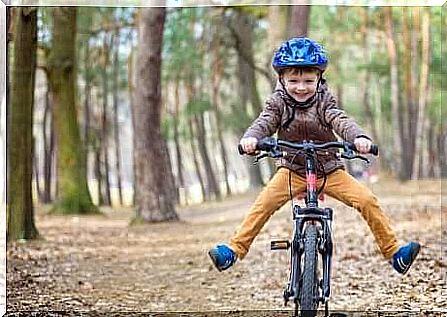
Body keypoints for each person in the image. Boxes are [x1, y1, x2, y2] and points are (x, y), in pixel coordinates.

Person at [208, 37, 420, 275]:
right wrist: (251, 138)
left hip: (329, 169)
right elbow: (264, 122)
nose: (301, 87)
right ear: (281, 79)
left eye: (308, 81)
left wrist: (359, 138)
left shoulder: (324, 100)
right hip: (292, 169)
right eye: (294, 81)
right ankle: (234, 250)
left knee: (366, 200)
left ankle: (394, 252)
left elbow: (340, 120)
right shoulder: (277, 103)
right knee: (263, 204)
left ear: (319, 79)